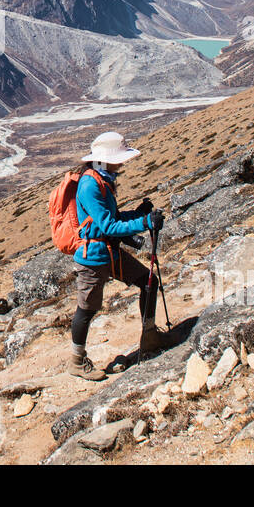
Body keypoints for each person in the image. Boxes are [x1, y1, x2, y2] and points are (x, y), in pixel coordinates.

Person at [69, 131, 169, 381]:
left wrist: (136, 214)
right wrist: (144, 221)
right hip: (94, 256)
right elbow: (108, 226)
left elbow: (109, 219)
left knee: (149, 282)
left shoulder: (102, 179)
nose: (122, 164)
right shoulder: (91, 185)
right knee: (87, 309)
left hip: (108, 251)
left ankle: (149, 336)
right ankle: (77, 362)